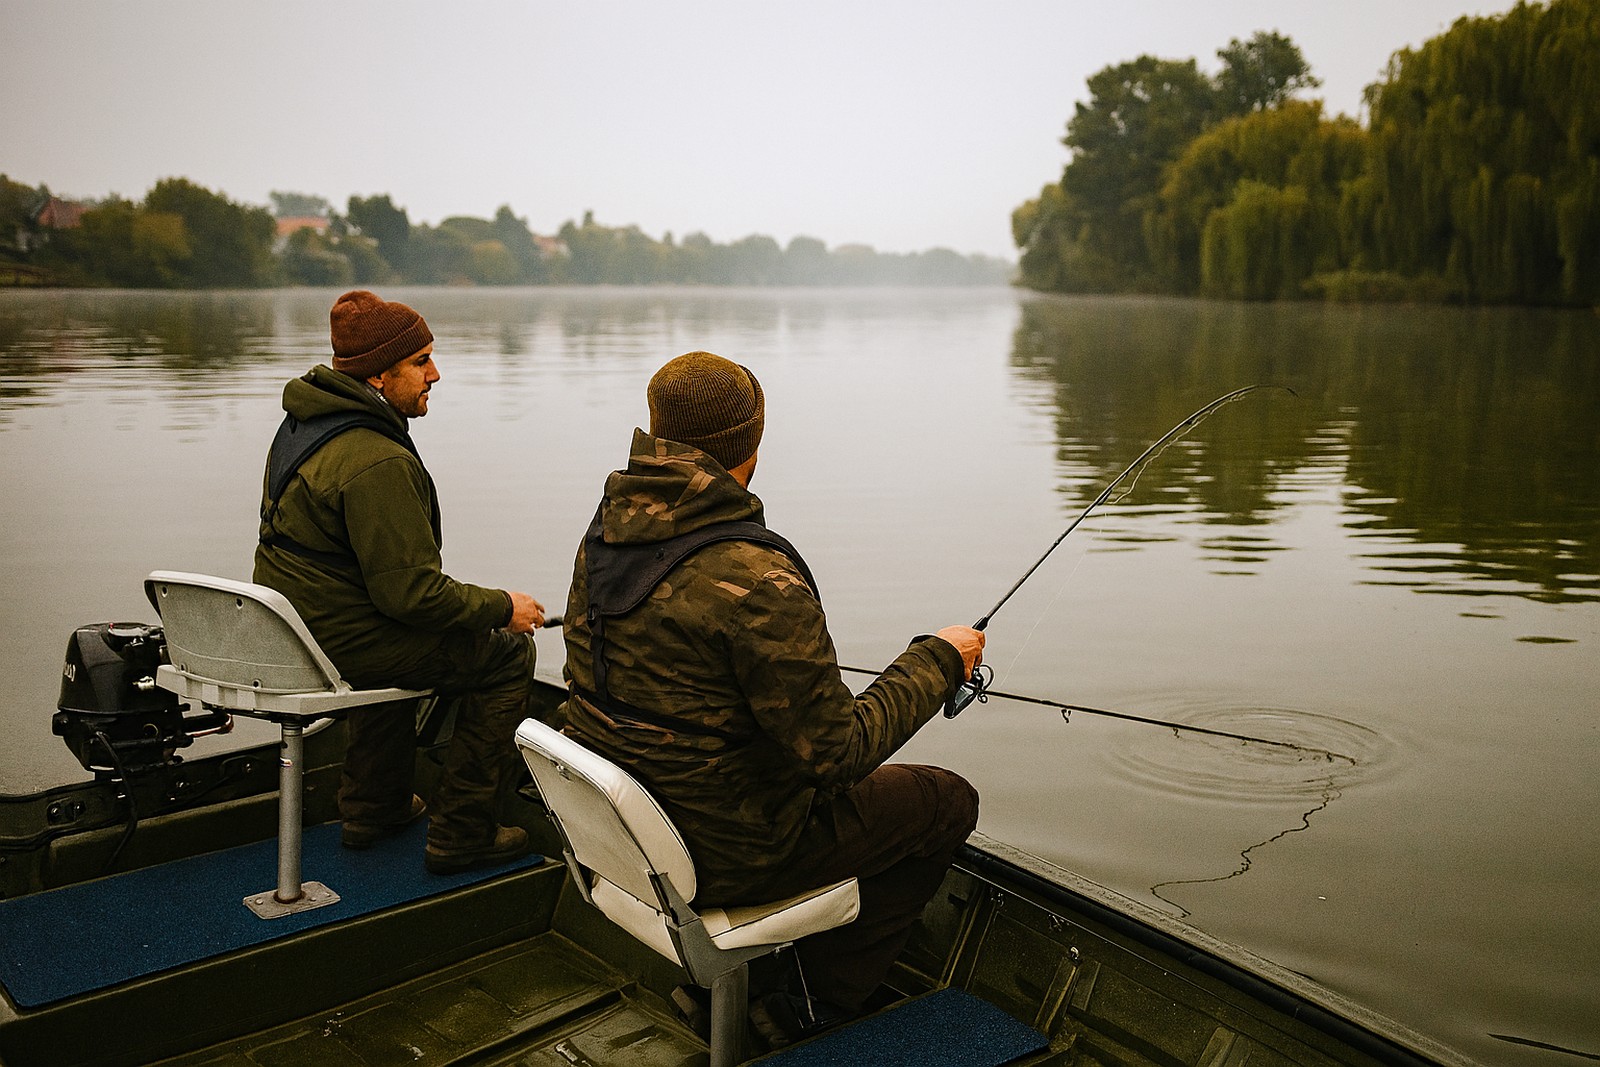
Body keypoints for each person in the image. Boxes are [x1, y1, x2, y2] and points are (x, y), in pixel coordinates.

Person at [559, 350, 985, 1041]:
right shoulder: (760, 578)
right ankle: (806, 1006)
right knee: (943, 801)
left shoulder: (602, 533)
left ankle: (735, 988)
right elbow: (839, 752)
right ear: (752, 445)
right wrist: (939, 659)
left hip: (623, 836)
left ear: (656, 433)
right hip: (727, 853)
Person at [254, 289, 545, 874]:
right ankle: (463, 832)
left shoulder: (304, 425)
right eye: (421, 362)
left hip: (294, 627)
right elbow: (411, 594)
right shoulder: (375, 459)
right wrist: (500, 608)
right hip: (335, 637)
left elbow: (388, 590)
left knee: (393, 631)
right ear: (380, 376)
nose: (435, 374)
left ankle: (373, 808)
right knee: (506, 656)